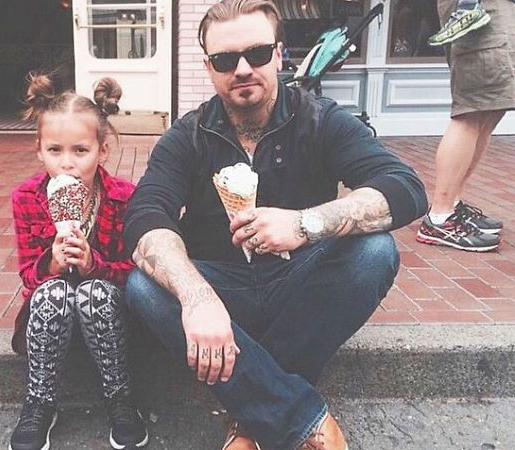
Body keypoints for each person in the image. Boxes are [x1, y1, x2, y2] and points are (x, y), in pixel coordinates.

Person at [123, 1, 427, 449]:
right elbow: (145, 214)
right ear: (208, 68)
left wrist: (306, 223)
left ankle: (250, 416)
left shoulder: (319, 118)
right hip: (222, 287)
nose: (243, 69)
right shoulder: (189, 135)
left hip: (299, 284)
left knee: (375, 252)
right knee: (143, 287)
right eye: (225, 60)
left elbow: (404, 187)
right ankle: (300, 419)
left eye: (258, 53)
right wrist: (196, 297)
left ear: (279, 54)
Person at [9, 73, 148, 450]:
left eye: (80, 151)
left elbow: (135, 273)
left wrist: (94, 266)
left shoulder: (123, 197)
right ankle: (39, 400)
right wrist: (51, 265)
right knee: (53, 291)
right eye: (55, 150)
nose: (66, 164)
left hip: (107, 316)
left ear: (102, 151)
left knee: (94, 292)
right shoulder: (26, 197)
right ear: (39, 151)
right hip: (49, 315)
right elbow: (28, 276)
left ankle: (120, 396)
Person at [417, 0, 514, 252]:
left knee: (491, 108)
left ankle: (452, 204)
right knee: (472, 109)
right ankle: (440, 217)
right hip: (480, 6)